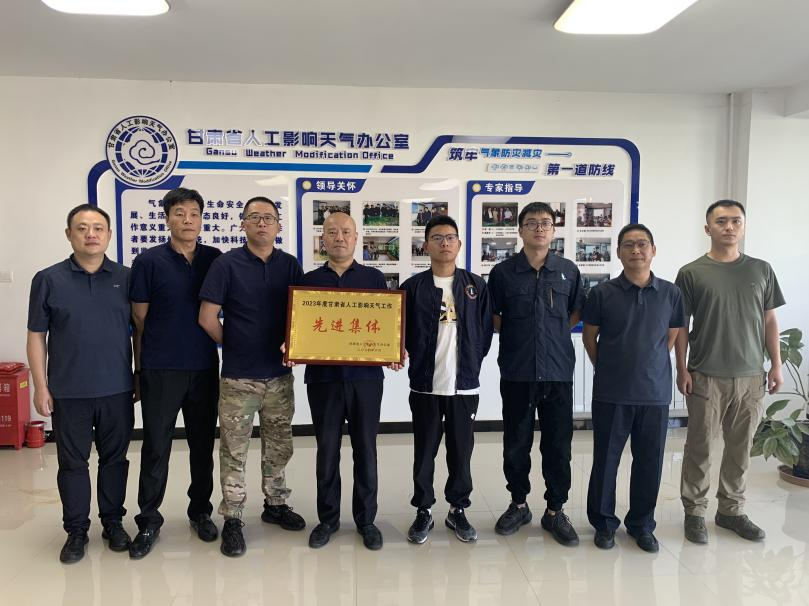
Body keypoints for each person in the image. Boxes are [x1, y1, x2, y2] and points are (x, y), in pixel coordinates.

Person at [27, 204, 135, 563]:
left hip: (117, 388)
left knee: (115, 460)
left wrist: (139, 375)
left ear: (108, 234)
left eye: (98, 228)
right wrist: (41, 386)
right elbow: (36, 335)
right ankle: (76, 530)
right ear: (69, 234)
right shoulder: (48, 279)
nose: (91, 234)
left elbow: (140, 330)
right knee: (72, 464)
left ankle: (113, 523)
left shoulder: (127, 277)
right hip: (68, 391)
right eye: (82, 227)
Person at [198, 196, 305, 557]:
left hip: (279, 377)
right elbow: (207, 318)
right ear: (242, 224)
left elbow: (304, 313)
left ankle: (275, 504)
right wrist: (235, 344)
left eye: (268, 218)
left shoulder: (290, 265)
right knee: (234, 450)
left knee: (279, 445)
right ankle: (233, 517)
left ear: (278, 226)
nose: (262, 223)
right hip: (238, 378)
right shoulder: (226, 264)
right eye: (254, 217)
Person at [675, 199, 784, 544]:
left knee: (740, 448)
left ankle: (731, 511)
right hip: (705, 374)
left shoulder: (761, 270)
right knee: (700, 447)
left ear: (744, 226)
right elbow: (680, 325)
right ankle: (695, 512)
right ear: (708, 228)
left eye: (736, 221)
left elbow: (769, 320)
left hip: (751, 376)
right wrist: (681, 368)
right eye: (721, 221)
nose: (729, 227)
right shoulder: (691, 272)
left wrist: (776, 364)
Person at [127, 188, 222, 559]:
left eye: (194, 213)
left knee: (202, 445)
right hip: (161, 368)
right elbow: (140, 317)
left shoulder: (214, 259)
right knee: (156, 445)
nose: (187, 220)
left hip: (203, 367)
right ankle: (149, 519)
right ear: (167, 218)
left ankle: (200, 511)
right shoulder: (149, 261)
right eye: (179, 213)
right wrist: (141, 367)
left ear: (201, 219)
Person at [296, 212, 396, 551]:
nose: (339, 237)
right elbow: (300, 328)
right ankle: (328, 519)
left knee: (365, 449)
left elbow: (386, 326)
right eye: (332, 232)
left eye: (346, 232)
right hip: (323, 379)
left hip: (366, 379)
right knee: (327, 450)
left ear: (356, 238)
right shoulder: (308, 281)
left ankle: (366, 520)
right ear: (323, 239)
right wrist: (292, 345)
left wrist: (392, 350)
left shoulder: (374, 278)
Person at [582, 224, 685, 553]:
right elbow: (589, 337)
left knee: (650, 462)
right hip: (611, 391)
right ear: (618, 252)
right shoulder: (602, 293)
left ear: (653, 250)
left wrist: (649, 363)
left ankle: (642, 524)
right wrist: (607, 366)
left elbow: (671, 336)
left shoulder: (671, 293)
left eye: (642, 244)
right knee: (605, 461)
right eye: (628, 245)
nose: (636, 250)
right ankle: (604, 524)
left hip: (654, 393)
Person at [487, 201, 585, 545]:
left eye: (545, 223)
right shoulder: (503, 273)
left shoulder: (568, 270)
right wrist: (521, 334)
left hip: (558, 371)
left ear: (554, 230)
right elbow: (493, 316)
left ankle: (555, 510)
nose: (539, 228)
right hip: (518, 370)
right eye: (532, 223)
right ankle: (519, 504)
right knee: (516, 442)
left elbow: (575, 312)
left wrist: (553, 334)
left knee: (558, 445)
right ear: (520, 230)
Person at [401, 215, 493, 544]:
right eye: (437, 238)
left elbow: (484, 334)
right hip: (425, 385)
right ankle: (423, 509)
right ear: (426, 245)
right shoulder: (412, 287)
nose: (444, 243)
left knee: (460, 452)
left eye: (450, 237)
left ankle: (458, 509)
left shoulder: (475, 286)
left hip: (464, 386)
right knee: (424, 451)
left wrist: (470, 364)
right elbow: (400, 332)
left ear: (459, 244)